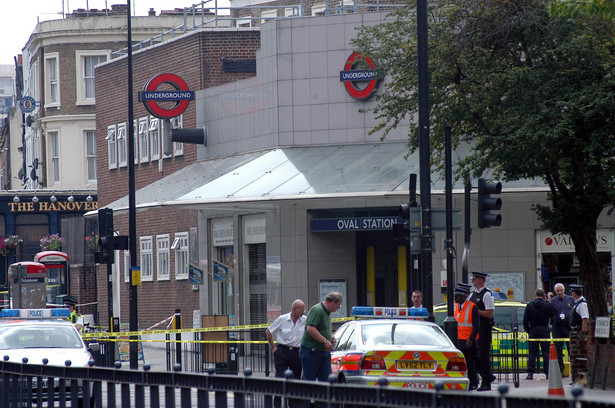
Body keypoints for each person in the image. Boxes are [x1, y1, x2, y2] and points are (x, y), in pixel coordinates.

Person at [266, 299, 306, 408]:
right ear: (294, 309)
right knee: (280, 377)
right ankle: (278, 404)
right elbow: (268, 332)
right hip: (282, 351)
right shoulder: (282, 319)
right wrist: (274, 348)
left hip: (296, 352)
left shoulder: (304, 320)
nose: (303, 312)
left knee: (295, 378)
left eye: (304, 310)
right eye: (301, 310)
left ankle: (293, 404)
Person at [300, 292, 343, 383]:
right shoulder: (317, 310)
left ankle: (322, 397)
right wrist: (325, 341)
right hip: (311, 351)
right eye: (338, 305)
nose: (338, 308)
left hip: (324, 352)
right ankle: (307, 397)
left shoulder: (328, 313)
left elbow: (323, 328)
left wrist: (330, 336)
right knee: (309, 380)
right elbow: (310, 328)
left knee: (326, 380)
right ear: (332, 302)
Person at [469, 271, 495, 391]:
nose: (472, 280)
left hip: (484, 329)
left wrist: (476, 311)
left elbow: (490, 313)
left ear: (480, 280)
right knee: (476, 356)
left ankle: (486, 382)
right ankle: (488, 376)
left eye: (474, 278)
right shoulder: (473, 294)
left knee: (483, 356)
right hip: (476, 329)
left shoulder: (487, 294)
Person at [524, 288, 555, 380]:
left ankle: (530, 373)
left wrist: (529, 330)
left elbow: (525, 321)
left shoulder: (529, 306)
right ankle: (547, 373)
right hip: (544, 330)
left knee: (532, 353)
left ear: (535, 295)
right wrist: (549, 329)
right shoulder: (548, 305)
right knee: (546, 352)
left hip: (533, 330)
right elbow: (553, 318)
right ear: (543, 296)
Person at [453, 285, 479, 390]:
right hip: (458, 340)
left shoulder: (472, 307)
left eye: (457, 296)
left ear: (463, 296)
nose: (455, 298)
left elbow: (476, 325)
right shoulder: (455, 306)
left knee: (470, 364)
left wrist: (471, 339)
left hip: (468, 341)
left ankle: (472, 383)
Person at [550, 282, 574, 374]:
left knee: (571, 348)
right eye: (557, 291)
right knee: (558, 349)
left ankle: (573, 369)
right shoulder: (553, 300)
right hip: (557, 328)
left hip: (568, 327)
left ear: (564, 290)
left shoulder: (570, 299)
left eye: (561, 290)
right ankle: (560, 369)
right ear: (555, 291)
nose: (559, 292)